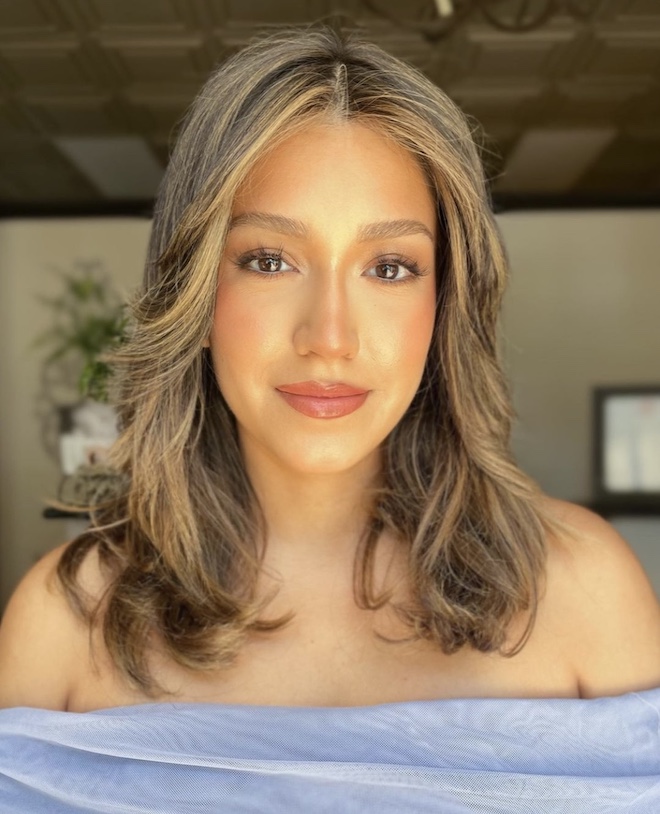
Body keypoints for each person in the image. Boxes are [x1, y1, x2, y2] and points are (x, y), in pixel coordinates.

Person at [0, 25, 659, 813]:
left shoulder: (586, 593)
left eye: (390, 267)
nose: (331, 338)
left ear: (443, 305)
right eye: (270, 260)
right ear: (197, 289)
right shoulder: (65, 623)